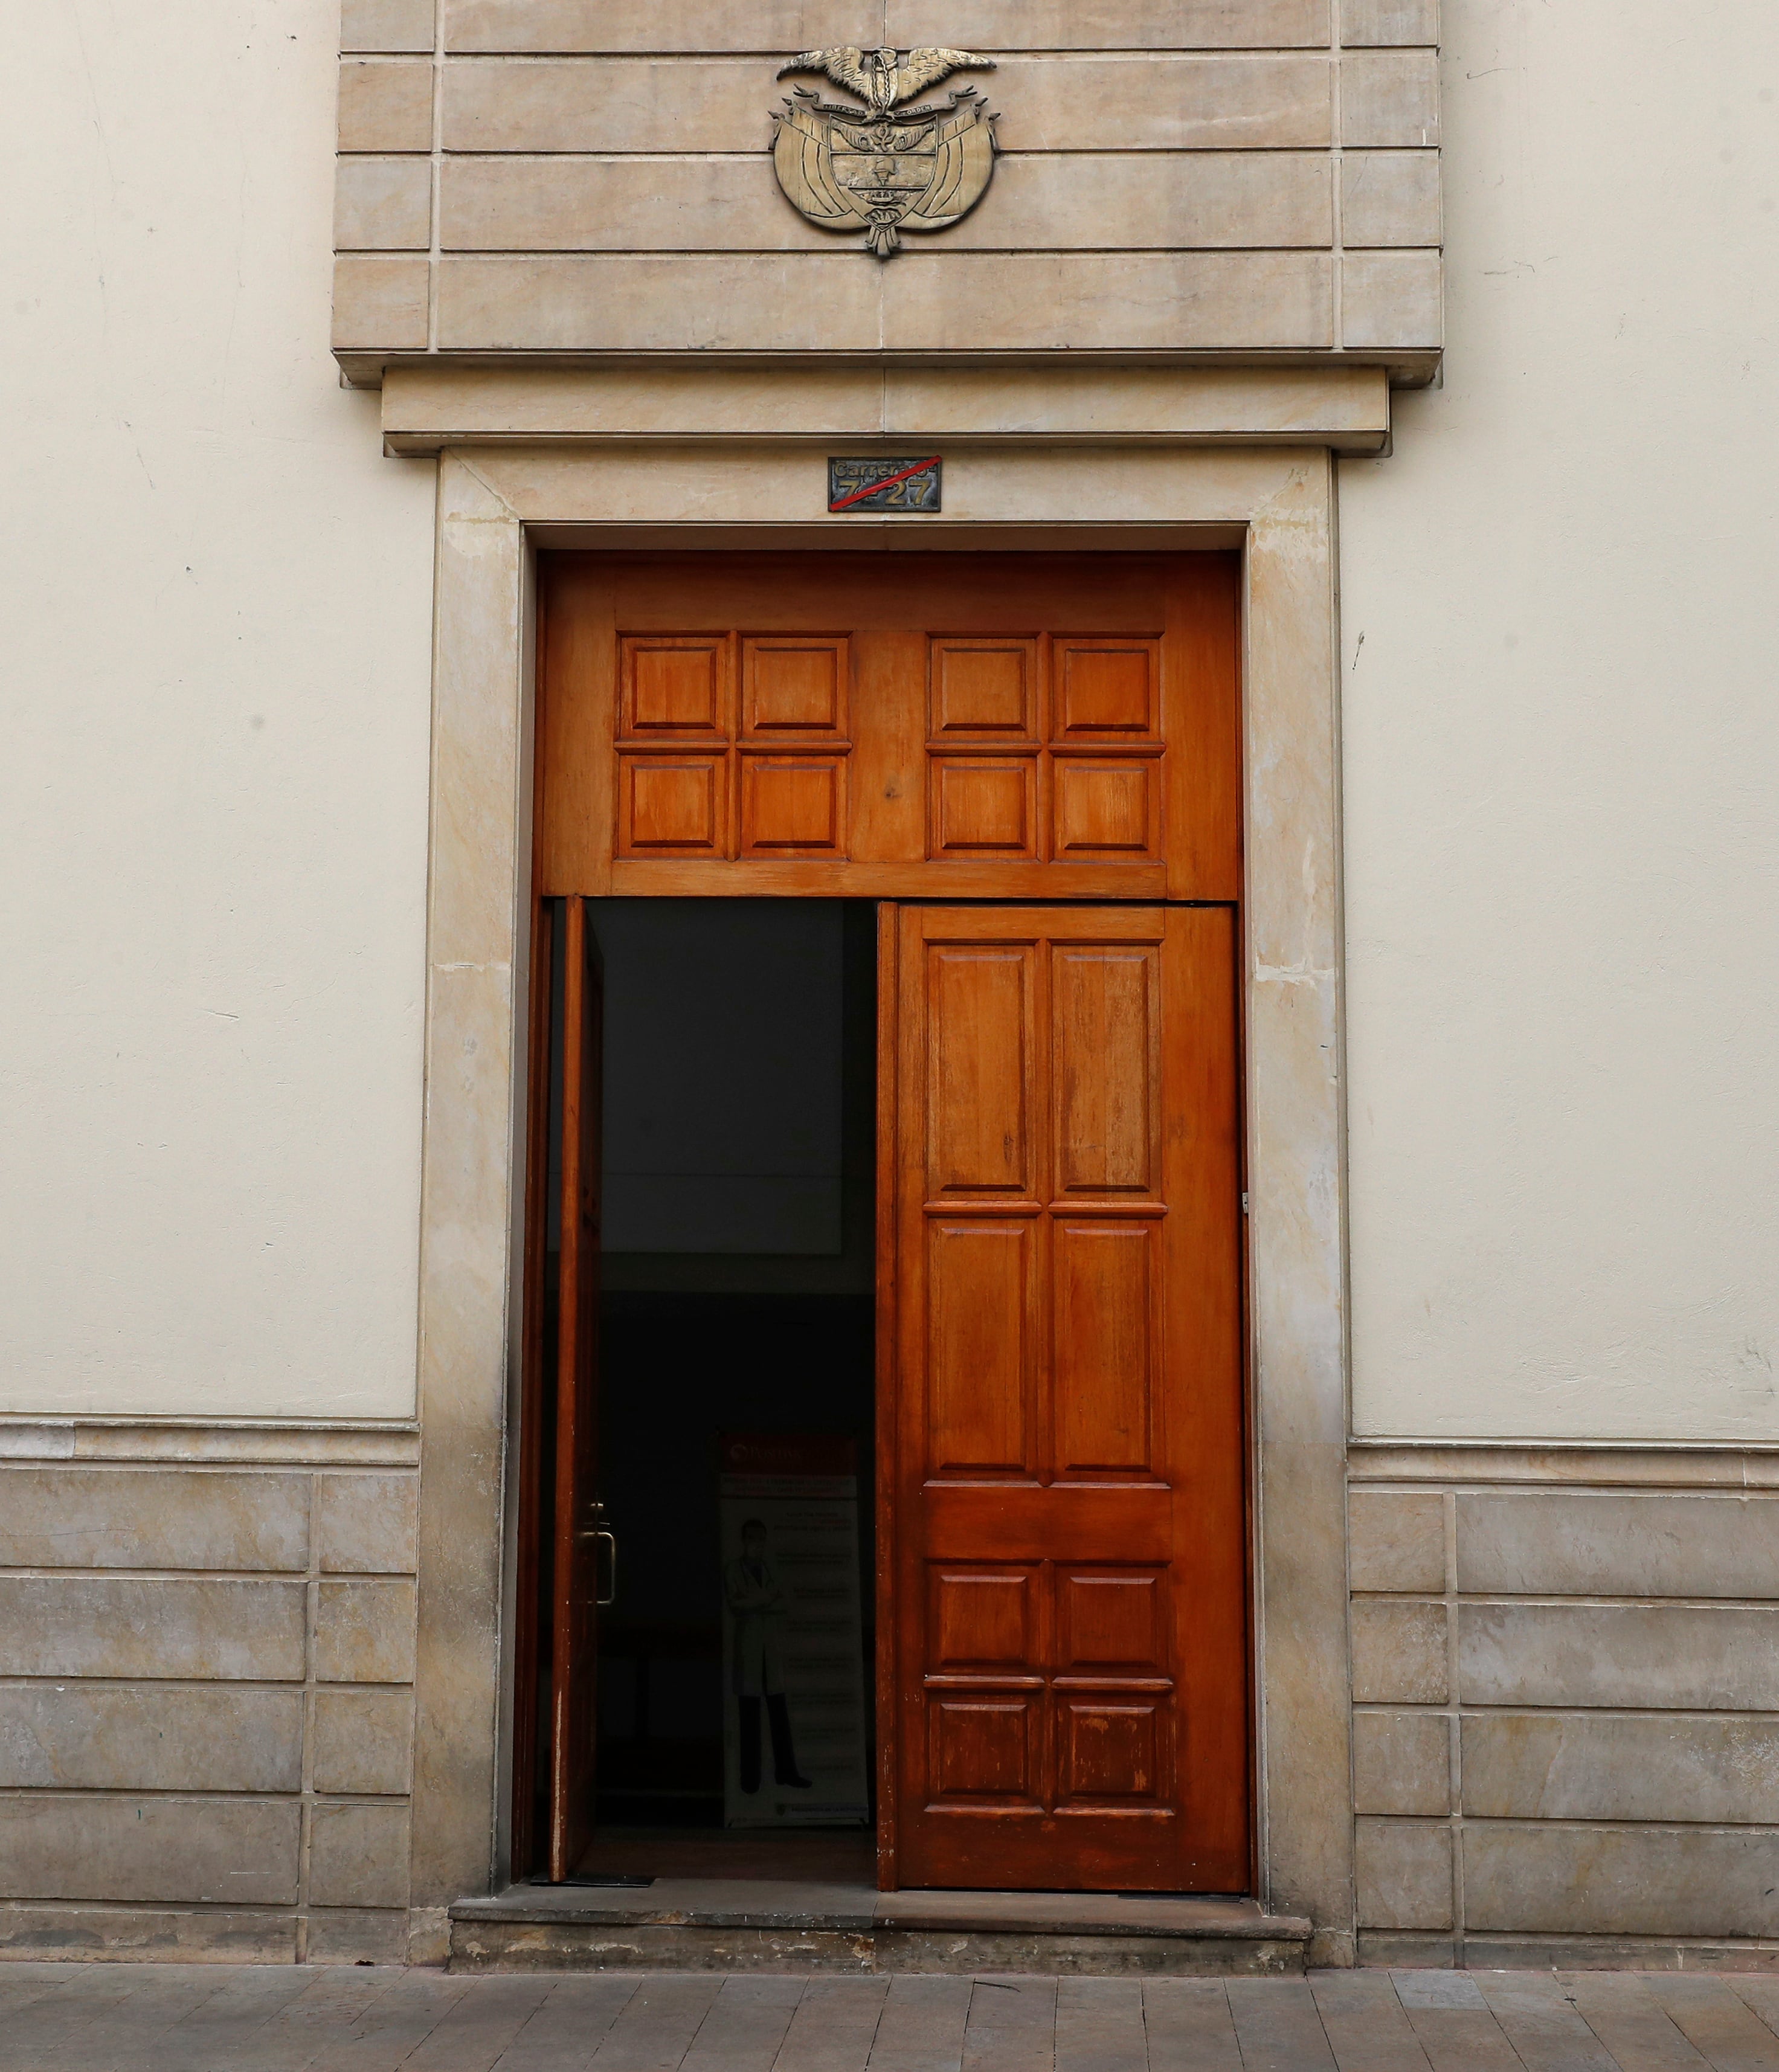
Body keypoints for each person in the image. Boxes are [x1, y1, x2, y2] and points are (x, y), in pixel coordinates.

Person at [724, 1517, 812, 1792]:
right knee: (749, 1718)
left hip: (769, 1650)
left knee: (779, 1715)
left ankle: (786, 1772)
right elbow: (736, 1605)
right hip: (750, 1650)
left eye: (761, 1539)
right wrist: (766, 1599)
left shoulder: (769, 1569)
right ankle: (750, 1780)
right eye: (752, 1539)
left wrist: (758, 1602)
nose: (757, 1545)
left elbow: (784, 1604)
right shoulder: (734, 1569)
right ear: (744, 1541)